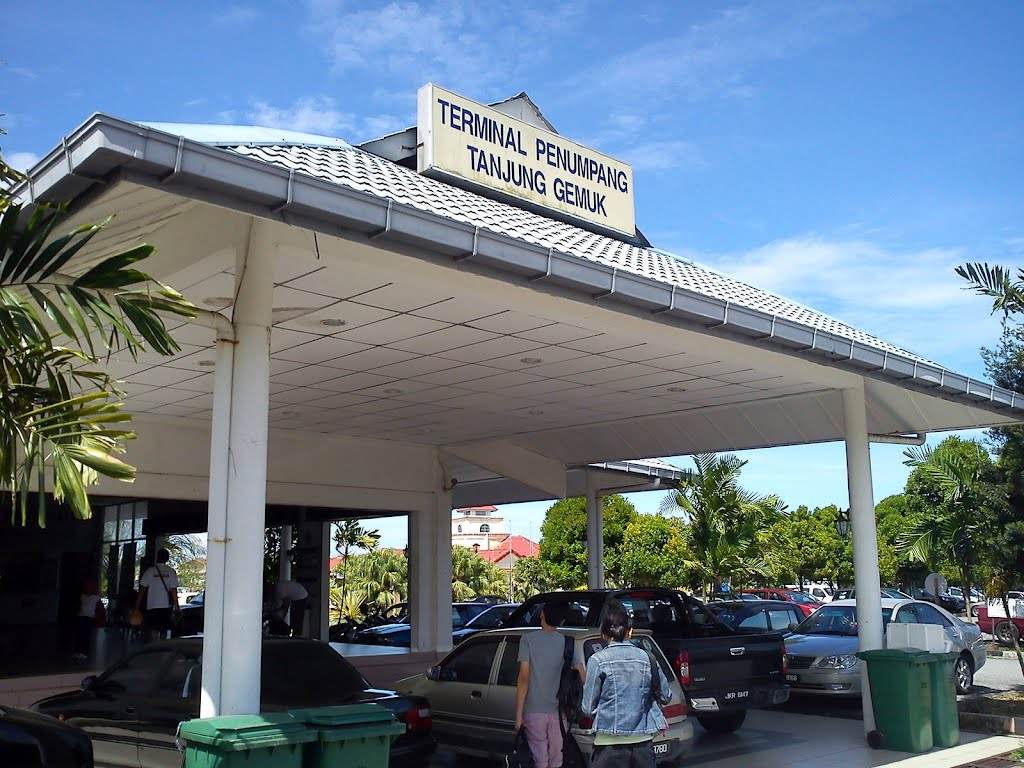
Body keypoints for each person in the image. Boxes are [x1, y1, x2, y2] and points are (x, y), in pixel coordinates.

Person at [581, 599, 670, 768]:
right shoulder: (648, 658)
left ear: (603, 633)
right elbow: (666, 696)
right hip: (643, 743)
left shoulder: (597, 660)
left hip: (608, 743)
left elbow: (587, 707)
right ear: (630, 632)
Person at [515, 599, 585, 768]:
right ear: (562, 620)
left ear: (542, 614)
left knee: (540, 759)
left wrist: (518, 714)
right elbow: (582, 674)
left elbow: (524, 677)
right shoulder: (567, 643)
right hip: (559, 712)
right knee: (557, 759)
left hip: (533, 710)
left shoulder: (527, 640)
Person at [137, 549, 179, 641]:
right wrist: (177, 606)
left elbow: (142, 590)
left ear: (157, 558)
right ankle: (162, 645)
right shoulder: (171, 572)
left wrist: (137, 605)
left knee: (153, 628)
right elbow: (174, 591)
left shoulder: (150, 571)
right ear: (167, 559)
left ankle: (154, 645)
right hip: (166, 606)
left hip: (152, 606)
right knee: (164, 629)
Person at [73, 579, 105, 661]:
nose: (87, 589)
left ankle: (84, 652)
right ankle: (78, 651)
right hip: (81, 617)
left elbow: (101, 609)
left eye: (89, 587)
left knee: (85, 635)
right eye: (86, 587)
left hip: (88, 618)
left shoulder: (95, 598)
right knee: (79, 635)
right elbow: (80, 606)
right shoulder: (82, 596)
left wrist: (97, 617)